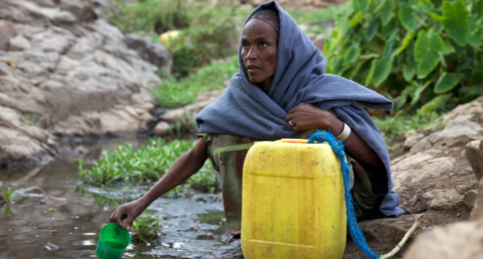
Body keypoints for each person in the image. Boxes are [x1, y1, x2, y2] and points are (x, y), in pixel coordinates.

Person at [109, 1, 405, 231]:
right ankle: (254, 226)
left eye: (263, 45)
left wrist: (331, 123)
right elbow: (196, 155)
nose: (250, 55)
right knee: (223, 137)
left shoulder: (319, 92)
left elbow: (374, 160)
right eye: (246, 45)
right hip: (275, 214)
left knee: (320, 142)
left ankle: (318, 223)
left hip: (342, 207)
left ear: (286, 49)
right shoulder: (241, 94)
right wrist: (141, 203)